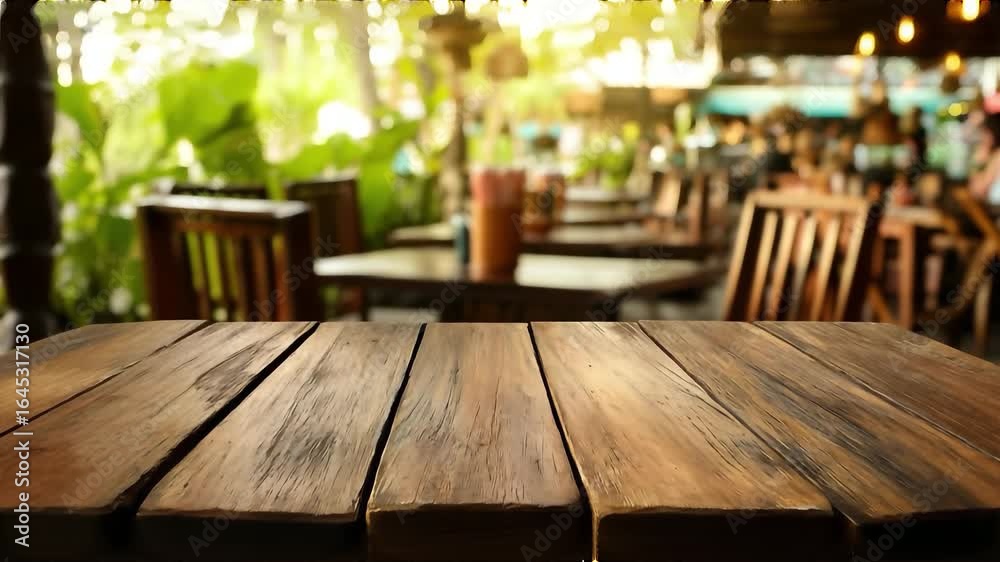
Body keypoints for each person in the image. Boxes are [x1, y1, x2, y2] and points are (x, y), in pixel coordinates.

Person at [970, 113, 1000, 203]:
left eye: (985, 132)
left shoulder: (998, 156)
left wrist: (978, 161)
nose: (982, 137)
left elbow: (977, 190)